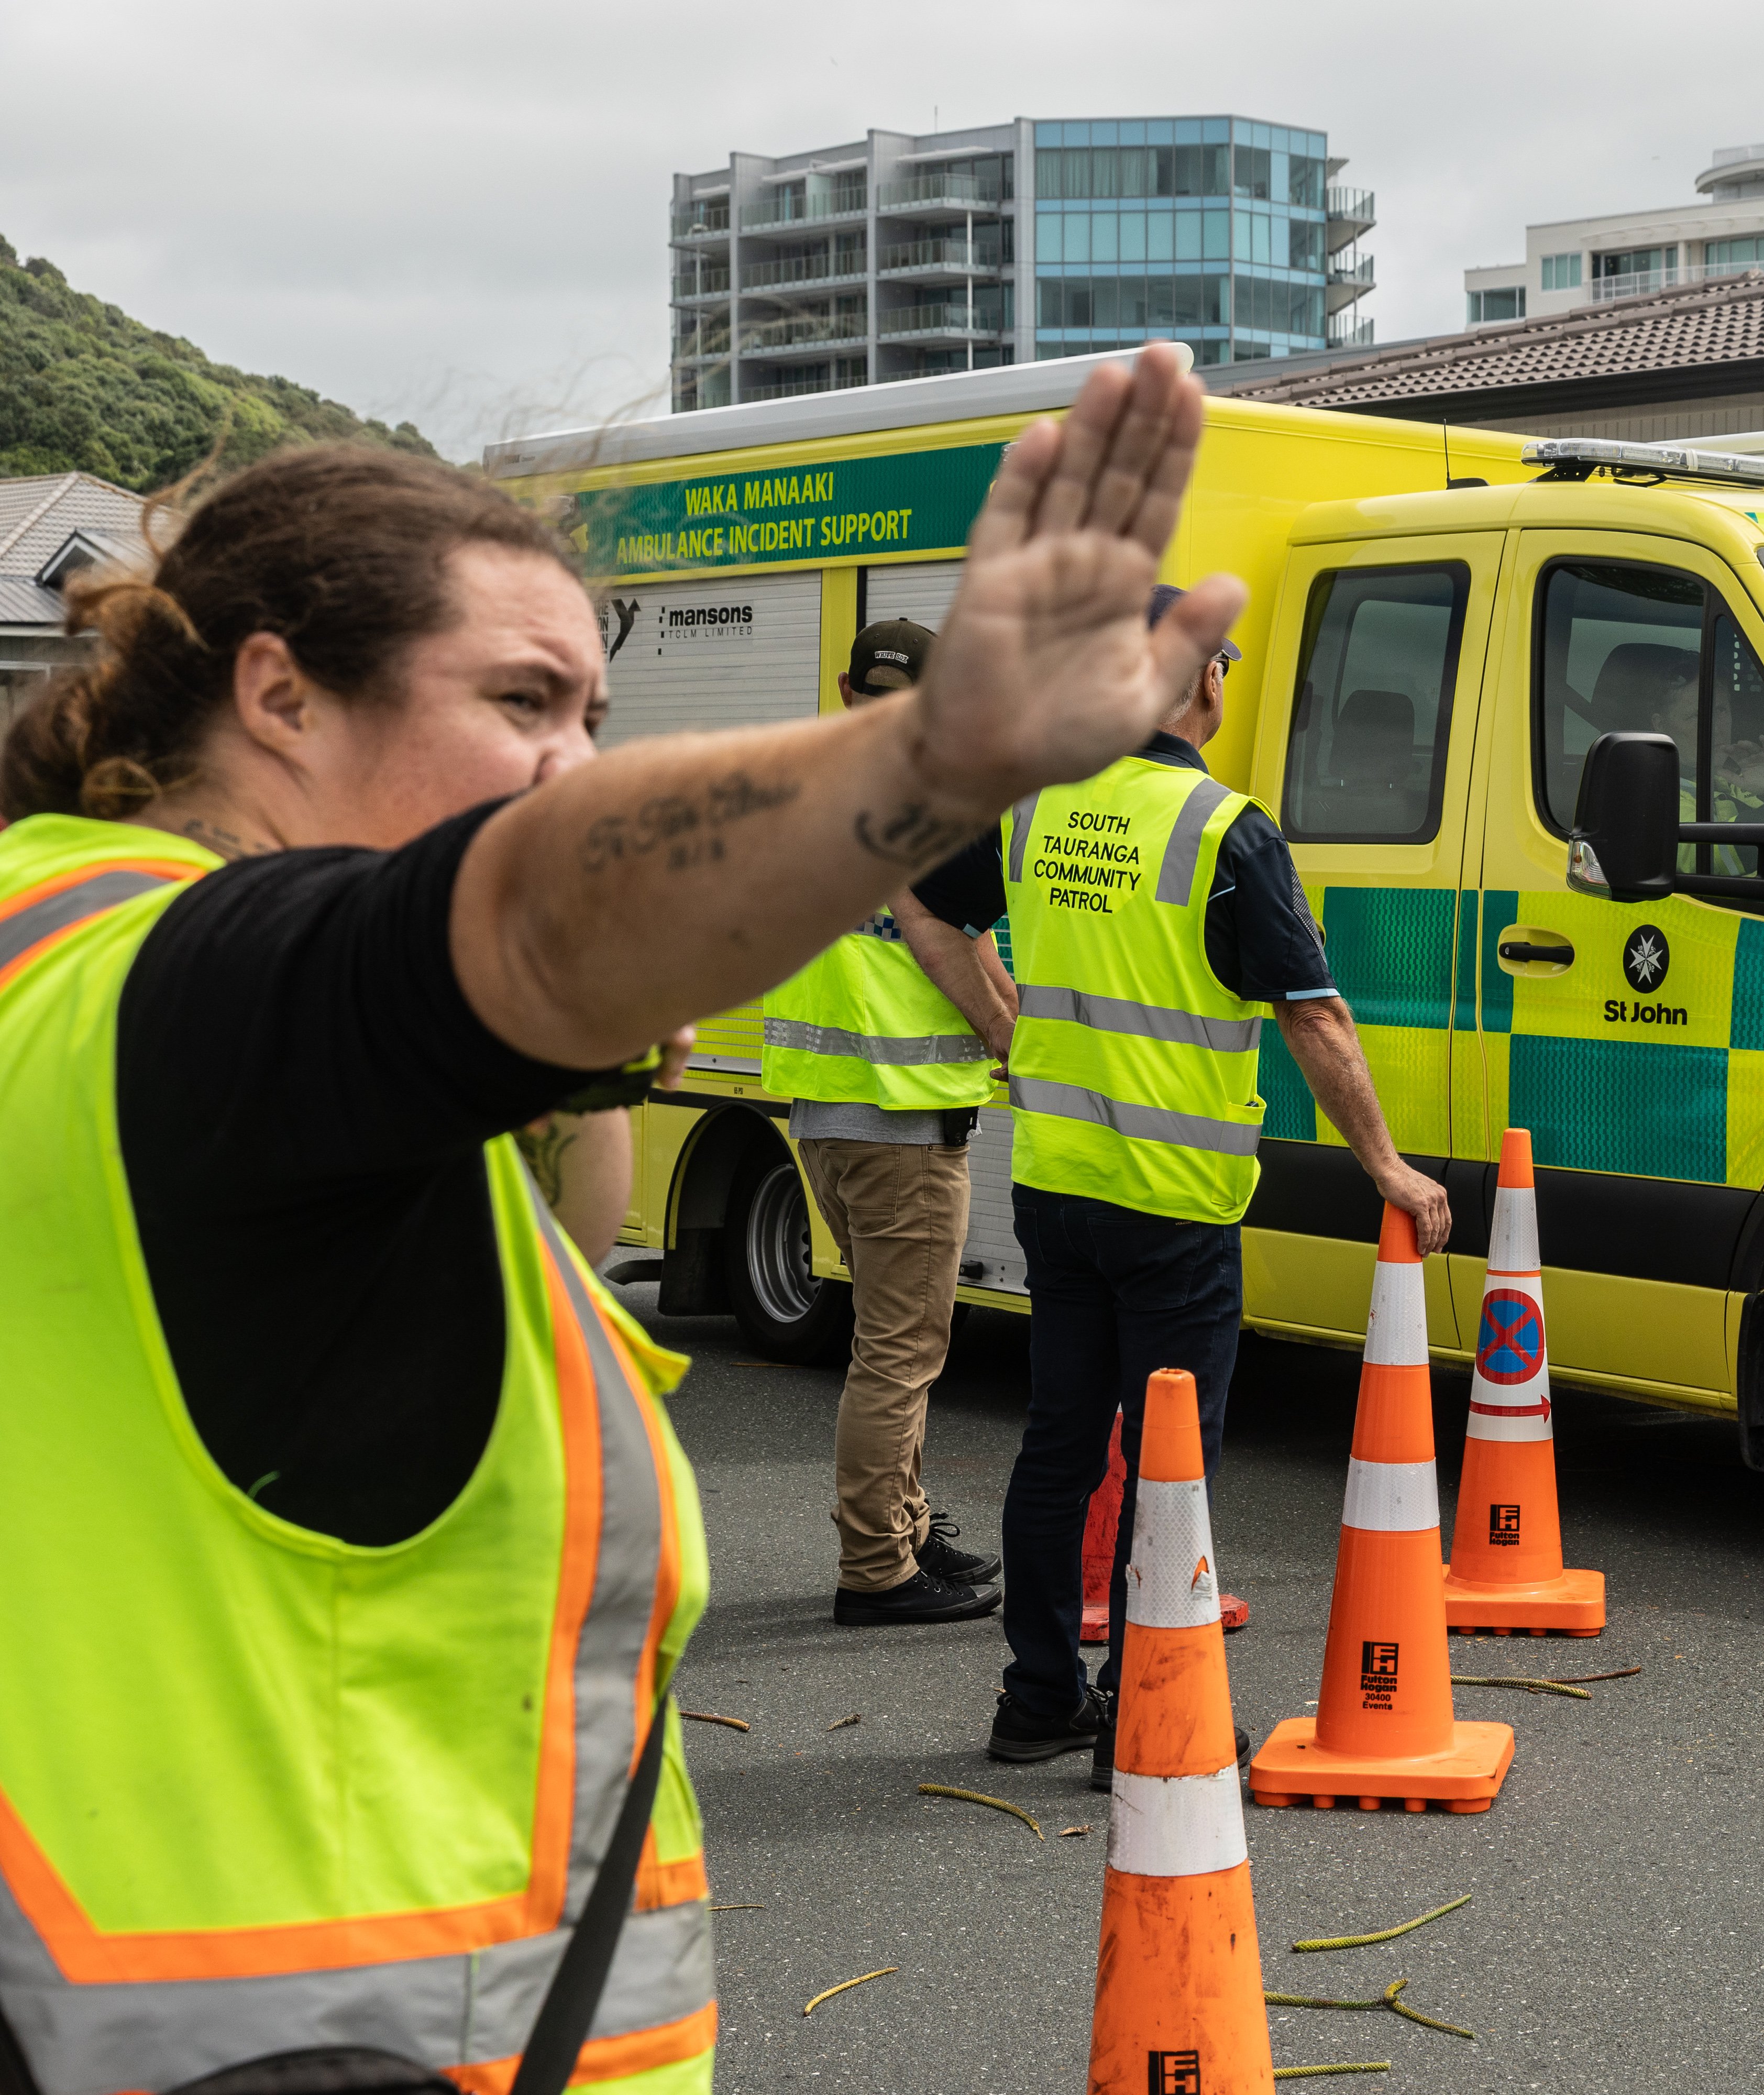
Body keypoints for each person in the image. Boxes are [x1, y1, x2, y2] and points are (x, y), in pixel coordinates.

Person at [0, 343, 1231, 2092]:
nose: (570, 767)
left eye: (592, 717)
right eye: (520, 703)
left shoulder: (53, 944)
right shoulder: (210, 986)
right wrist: (933, 760)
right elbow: (529, 918)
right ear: (278, 696)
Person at [972, 585, 1451, 1782]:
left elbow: (936, 916)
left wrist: (1003, 1028)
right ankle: (1141, 1713)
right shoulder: (1223, 829)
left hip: (1056, 1185)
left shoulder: (1035, 808)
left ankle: (1037, 1698)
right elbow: (1315, 1016)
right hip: (1173, 1202)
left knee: (1060, 1446)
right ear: (1198, 680)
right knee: (1169, 1462)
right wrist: (1385, 1164)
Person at [759, 617, 1020, 1627]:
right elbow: (952, 948)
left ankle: (907, 1528)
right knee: (900, 1356)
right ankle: (878, 1567)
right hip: (902, 1126)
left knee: (892, 1345)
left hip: (826, 1118)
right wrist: (1012, 1041)